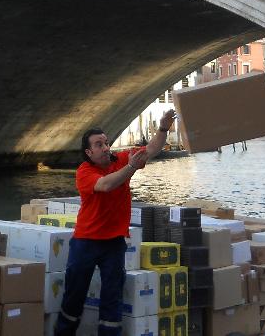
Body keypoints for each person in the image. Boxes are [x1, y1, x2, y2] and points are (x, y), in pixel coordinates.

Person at [54, 110, 177, 336]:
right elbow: (105, 185)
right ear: (89, 152)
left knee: (112, 296)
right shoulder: (84, 172)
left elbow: (151, 149)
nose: (105, 148)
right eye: (99, 145)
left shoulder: (120, 160)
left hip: (113, 242)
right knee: (74, 295)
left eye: (106, 143)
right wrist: (130, 168)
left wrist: (163, 129)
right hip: (86, 241)